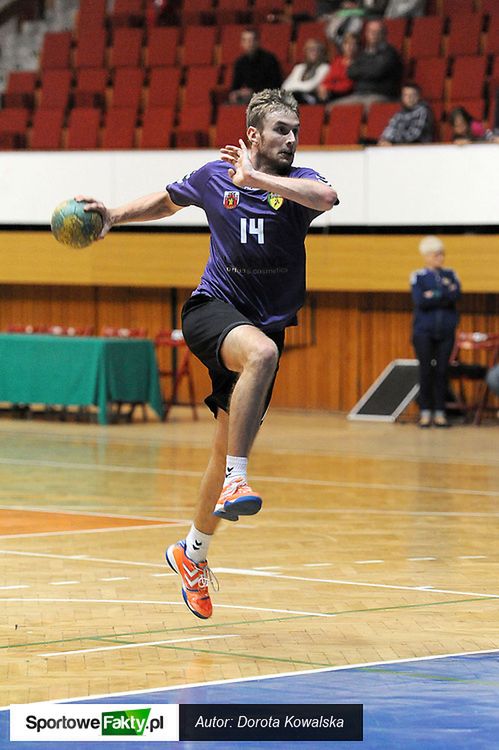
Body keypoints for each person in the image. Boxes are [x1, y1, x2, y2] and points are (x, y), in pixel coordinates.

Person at [78, 89, 339, 619]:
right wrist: (112, 215)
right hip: (212, 311)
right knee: (260, 356)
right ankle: (239, 478)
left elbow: (326, 198)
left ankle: (191, 554)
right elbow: (166, 200)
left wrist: (259, 181)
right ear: (253, 134)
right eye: (281, 130)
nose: (291, 139)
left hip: (263, 327)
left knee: (223, 449)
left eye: (295, 130)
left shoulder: (299, 183)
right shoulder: (214, 175)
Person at [410, 236, 461, 428]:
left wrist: (434, 294)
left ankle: (440, 412)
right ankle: (425, 412)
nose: (440, 258)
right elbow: (420, 301)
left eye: (442, 254)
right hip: (423, 331)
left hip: (446, 331)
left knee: (442, 371)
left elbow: (456, 294)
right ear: (427, 256)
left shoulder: (451, 274)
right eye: (436, 255)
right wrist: (443, 293)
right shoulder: (418, 276)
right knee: (425, 371)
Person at [331, 18, 402, 111]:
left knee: (363, 111)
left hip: (380, 96)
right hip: (358, 95)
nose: (373, 34)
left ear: (384, 34)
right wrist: (369, 68)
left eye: (377, 32)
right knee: (331, 109)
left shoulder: (389, 52)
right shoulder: (363, 53)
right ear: (366, 34)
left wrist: (362, 70)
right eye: (370, 31)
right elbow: (350, 72)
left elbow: (377, 72)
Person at [228, 28, 283, 105]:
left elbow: (276, 84)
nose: (248, 44)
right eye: (245, 41)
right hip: (248, 98)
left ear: (257, 42)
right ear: (241, 43)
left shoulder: (269, 59)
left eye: (251, 40)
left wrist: (252, 91)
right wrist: (235, 93)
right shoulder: (240, 62)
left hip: (267, 97)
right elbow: (235, 85)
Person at [282, 38, 330, 104]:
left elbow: (310, 86)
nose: (314, 52)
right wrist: (296, 89)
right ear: (305, 52)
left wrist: (294, 87)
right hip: (294, 96)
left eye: (317, 49)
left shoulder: (325, 68)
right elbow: (285, 87)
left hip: (311, 98)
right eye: (310, 49)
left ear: (321, 52)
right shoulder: (299, 67)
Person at [317, 32, 359, 103]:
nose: (350, 47)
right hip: (332, 93)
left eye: (353, 44)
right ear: (343, 46)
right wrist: (323, 87)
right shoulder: (337, 61)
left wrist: (329, 88)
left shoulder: (359, 62)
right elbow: (327, 79)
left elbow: (348, 85)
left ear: (358, 47)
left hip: (346, 93)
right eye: (347, 44)